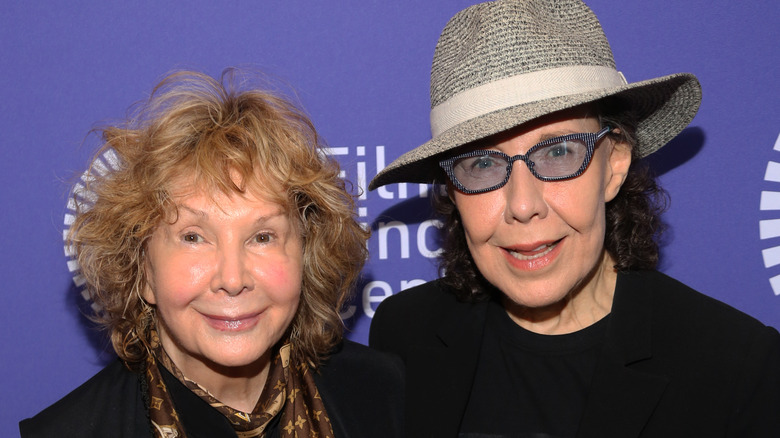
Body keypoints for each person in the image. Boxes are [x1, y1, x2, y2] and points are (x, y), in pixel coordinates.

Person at [367, 0, 780, 437]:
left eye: (558, 152)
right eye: (483, 163)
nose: (523, 205)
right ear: (453, 188)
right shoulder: (406, 335)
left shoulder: (736, 369)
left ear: (614, 163)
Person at [20, 70, 403, 438]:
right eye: (193, 237)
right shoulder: (67, 431)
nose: (233, 280)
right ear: (143, 270)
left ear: (306, 254)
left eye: (263, 236)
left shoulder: (384, 396)